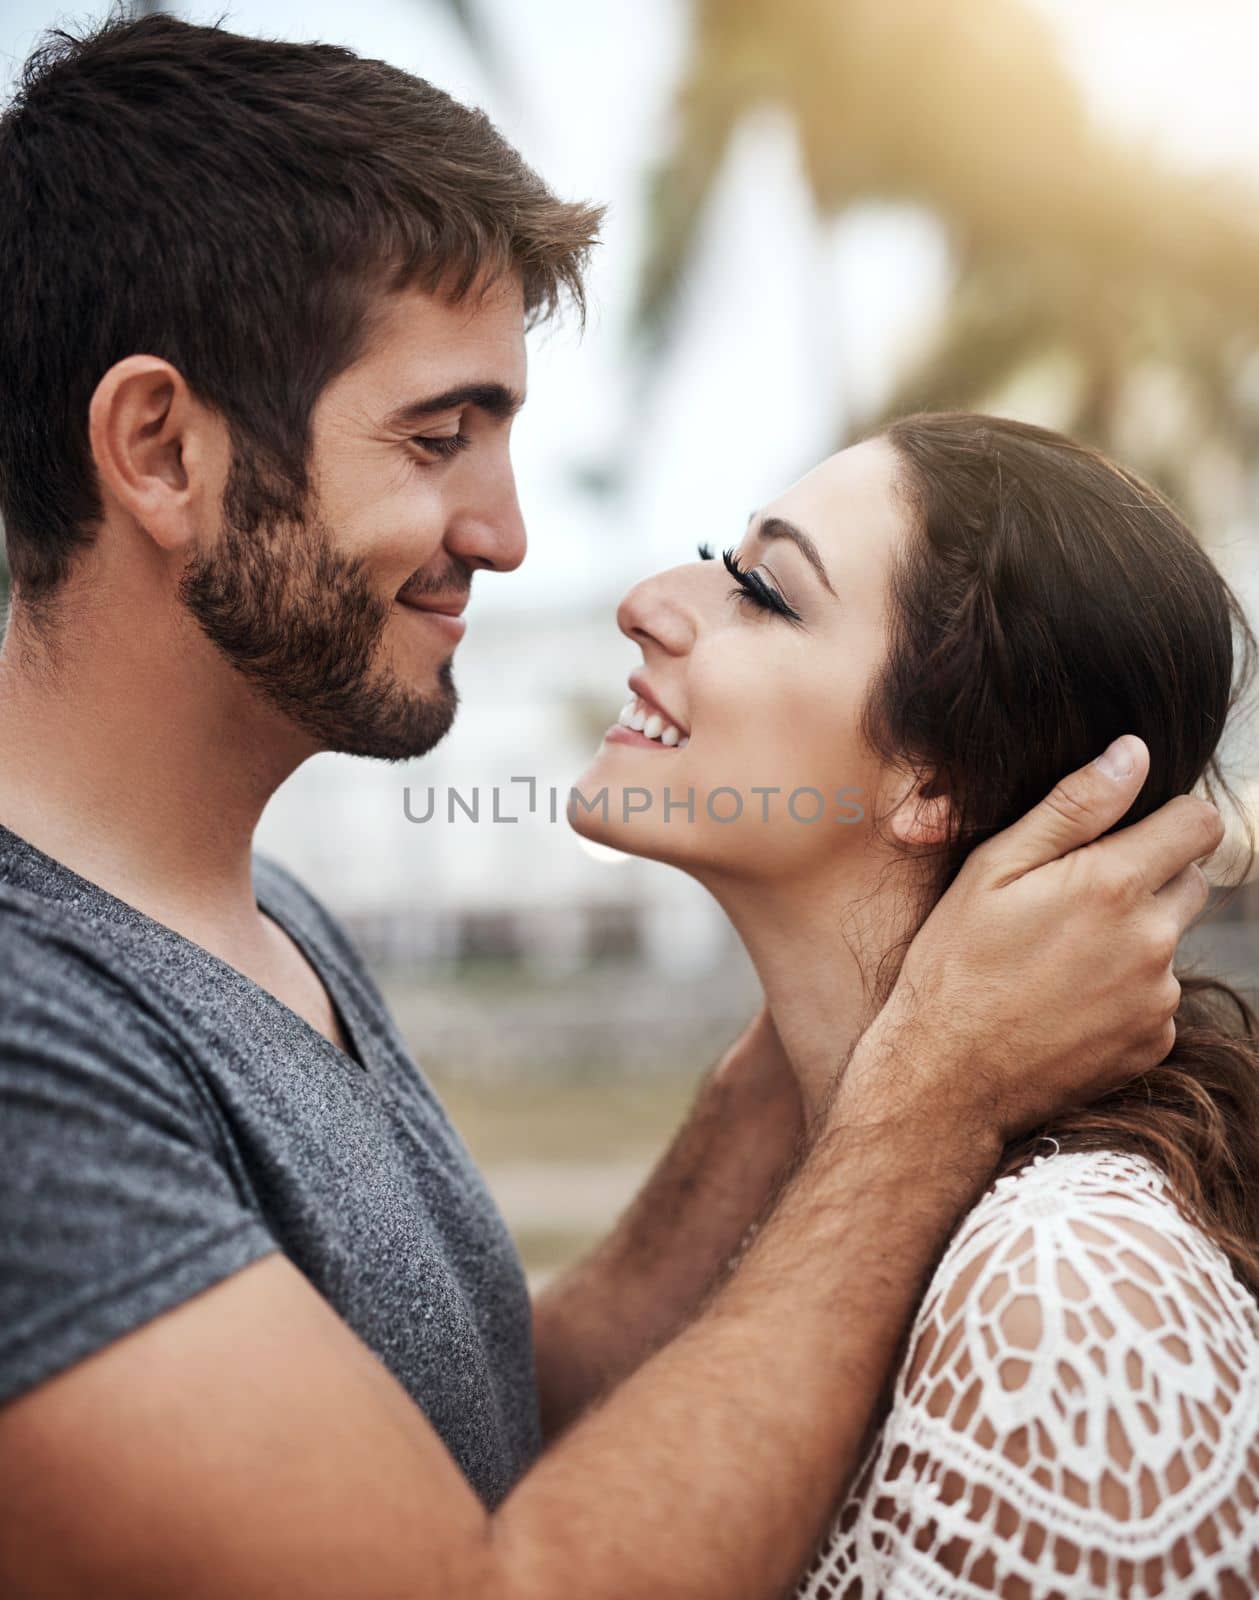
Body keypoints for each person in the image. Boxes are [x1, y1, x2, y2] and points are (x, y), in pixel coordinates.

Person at [0, 16, 1224, 1600]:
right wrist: (921, 1104)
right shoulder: (33, 1039)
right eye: (438, 439)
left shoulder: (269, 926)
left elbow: (487, 1429)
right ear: (161, 449)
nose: (507, 537)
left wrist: (830, 1045)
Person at [572, 412, 1259, 1596]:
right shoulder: (811, 1212)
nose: (646, 600)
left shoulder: (1065, 1299)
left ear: (930, 783)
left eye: (760, 590)